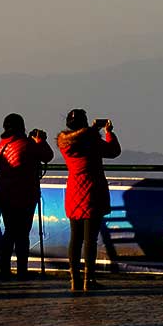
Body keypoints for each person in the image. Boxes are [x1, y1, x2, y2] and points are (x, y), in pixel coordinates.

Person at [57, 108, 121, 293]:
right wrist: (108, 133)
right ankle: (89, 278)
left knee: (75, 238)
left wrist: (92, 131)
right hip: (93, 191)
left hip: (74, 192)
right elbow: (113, 151)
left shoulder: (64, 143)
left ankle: (74, 279)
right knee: (90, 239)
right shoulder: (92, 140)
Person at [0, 113, 53, 279]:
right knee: (22, 234)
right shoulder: (27, 144)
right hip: (25, 195)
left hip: (5, 194)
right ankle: (22, 271)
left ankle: (4, 270)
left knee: (9, 232)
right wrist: (40, 140)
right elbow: (47, 155)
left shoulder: (1, 145)